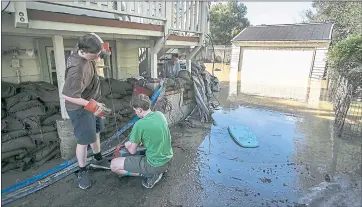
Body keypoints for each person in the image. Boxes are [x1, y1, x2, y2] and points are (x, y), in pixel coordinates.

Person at [62, 33, 112, 190]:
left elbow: (95, 38)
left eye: (98, 54)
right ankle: (82, 171)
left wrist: (103, 49)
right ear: (83, 52)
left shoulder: (84, 44)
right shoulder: (76, 70)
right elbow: (67, 96)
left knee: (96, 132)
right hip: (79, 107)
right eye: (95, 56)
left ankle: (98, 158)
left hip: (91, 99)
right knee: (84, 141)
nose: (98, 58)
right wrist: (93, 107)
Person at [110, 94, 173, 189]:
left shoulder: (139, 124)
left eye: (135, 111)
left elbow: (132, 151)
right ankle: (158, 170)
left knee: (114, 165)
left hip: (155, 165)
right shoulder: (160, 115)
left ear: (139, 110)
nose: (136, 113)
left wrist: (128, 145)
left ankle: (150, 174)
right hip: (168, 159)